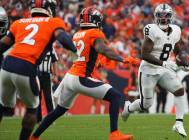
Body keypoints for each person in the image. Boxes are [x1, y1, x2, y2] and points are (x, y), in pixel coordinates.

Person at [30, 7, 139, 140]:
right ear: (96, 20)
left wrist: (97, 63)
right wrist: (122, 59)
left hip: (70, 77)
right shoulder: (95, 32)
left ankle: (34, 136)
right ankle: (114, 134)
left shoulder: (77, 33)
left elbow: (87, 55)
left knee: (59, 110)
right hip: (80, 77)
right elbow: (102, 49)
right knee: (115, 96)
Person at [0, 0, 77, 140]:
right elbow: (62, 37)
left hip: (7, 66)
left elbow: (3, 45)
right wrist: (75, 50)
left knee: (3, 106)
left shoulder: (19, 22)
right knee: (31, 110)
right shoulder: (53, 22)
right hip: (26, 67)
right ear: (49, 9)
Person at [122, 4, 189, 138]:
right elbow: (144, 54)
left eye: (166, 16)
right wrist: (165, 63)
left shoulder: (176, 30)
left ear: (171, 17)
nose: (163, 19)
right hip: (148, 69)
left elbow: (178, 49)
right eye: (160, 15)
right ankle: (129, 108)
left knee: (179, 90)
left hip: (163, 68)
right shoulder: (151, 29)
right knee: (146, 104)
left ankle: (178, 123)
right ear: (156, 16)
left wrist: (184, 61)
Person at [36, 46, 58, 122]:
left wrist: (55, 75)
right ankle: (38, 119)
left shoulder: (51, 48)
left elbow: (54, 61)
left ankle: (51, 118)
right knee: (37, 97)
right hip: (37, 75)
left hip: (47, 75)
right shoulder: (37, 46)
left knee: (48, 97)